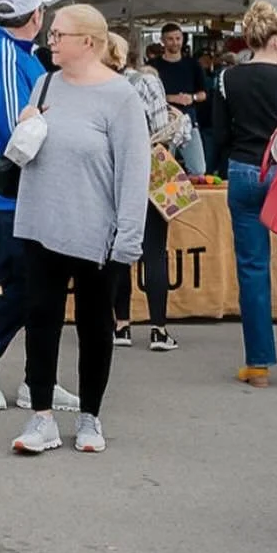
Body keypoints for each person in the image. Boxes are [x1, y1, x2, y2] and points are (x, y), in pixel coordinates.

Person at [11, 4, 150, 457]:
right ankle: (42, 417)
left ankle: (90, 414)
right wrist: (27, 128)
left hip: (95, 232)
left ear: (87, 42)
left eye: (59, 34)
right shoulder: (44, 82)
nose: (50, 40)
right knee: (40, 319)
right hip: (40, 224)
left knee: (94, 326)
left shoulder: (120, 98)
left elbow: (133, 171)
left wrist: (128, 238)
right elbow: (27, 149)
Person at [0, 0, 80, 414]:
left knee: (34, 290)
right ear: (36, 16)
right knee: (26, 289)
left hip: (22, 194)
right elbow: (22, 129)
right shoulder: (8, 57)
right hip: (17, 196)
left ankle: (36, 380)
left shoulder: (11, 53)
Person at [215, 1, 277, 385]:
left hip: (244, 170)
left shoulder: (226, 78)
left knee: (252, 268)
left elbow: (219, 135)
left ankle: (258, 364)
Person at [106, 33, 179, 352]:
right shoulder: (147, 82)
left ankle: (121, 325)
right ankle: (158, 329)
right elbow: (165, 129)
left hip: (112, 171)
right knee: (155, 249)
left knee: (119, 248)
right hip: (152, 167)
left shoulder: (97, 86)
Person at [154, 23, 207, 175]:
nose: (175, 42)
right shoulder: (154, 65)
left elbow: (204, 93)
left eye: (178, 38)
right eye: (170, 39)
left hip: (188, 120)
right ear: (162, 41)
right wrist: (172, 98)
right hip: (162, 124)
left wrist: (192, 97)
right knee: (161, 170)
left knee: (198, 169)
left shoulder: (193, 65)